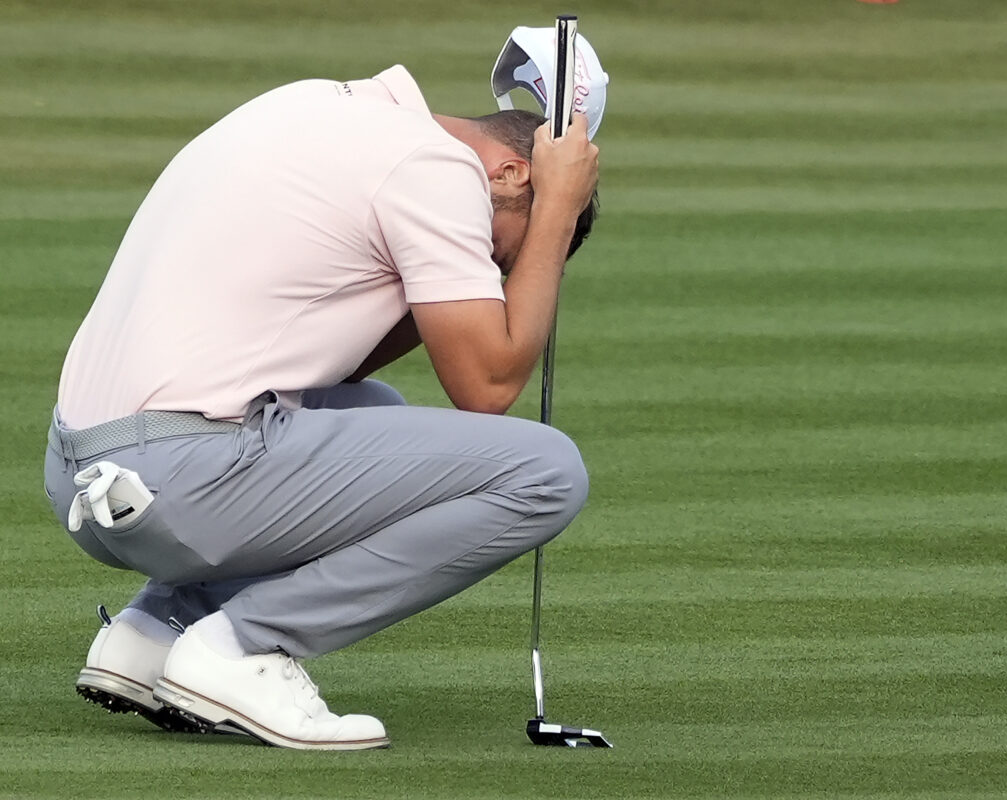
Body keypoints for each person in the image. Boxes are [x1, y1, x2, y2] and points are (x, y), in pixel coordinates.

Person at [43, 64, 599, 751]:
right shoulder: (437, 169)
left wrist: (516, 238)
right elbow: (486, 386)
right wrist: (556, 214)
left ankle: (156, 629)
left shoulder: (314, 107)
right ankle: (244, 647)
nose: (486, 270)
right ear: (513, 174)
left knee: (370, 408)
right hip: (178, 480)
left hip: (84, 473)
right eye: (493, 257)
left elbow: (340, 356)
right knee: (547, 471)